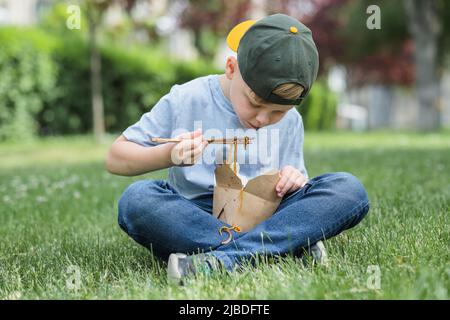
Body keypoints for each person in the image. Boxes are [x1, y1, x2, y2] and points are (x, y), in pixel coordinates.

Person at [106, 14, 370, 284]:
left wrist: (295, 179)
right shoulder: (187, 98)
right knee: (136, 200)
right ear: (231, 68)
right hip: (197, 215)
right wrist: (168, 155)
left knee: (349, 190)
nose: (262, 119)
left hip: (269, 210)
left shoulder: (291, 121)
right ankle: (285, 247)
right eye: (255, 104)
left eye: (278, 112)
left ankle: (224, 260)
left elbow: (297, 187)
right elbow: (116, 157)